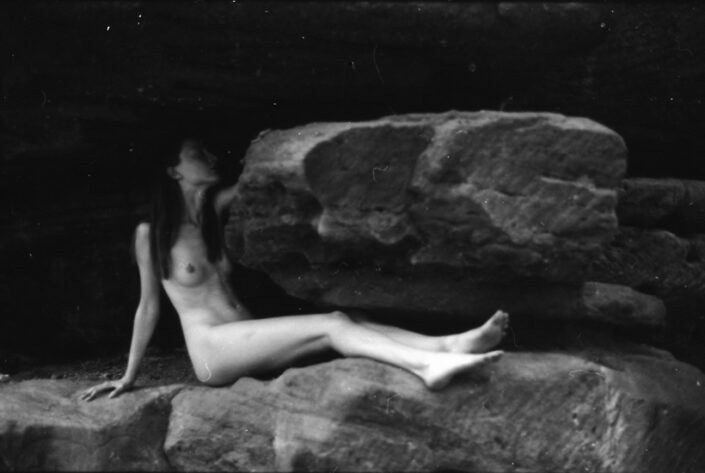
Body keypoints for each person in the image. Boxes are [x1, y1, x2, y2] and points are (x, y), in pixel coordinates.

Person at [80, 139, 508, 401]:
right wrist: (129, 376)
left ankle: (447, 344)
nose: (208, 157)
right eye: (195, 154)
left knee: (353, 317)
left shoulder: (211, 214)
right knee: (333, 323)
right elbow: (148, 307)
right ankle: (426, 367)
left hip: (244, 336)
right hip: (212, 354)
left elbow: (258, 181)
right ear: (173, 170)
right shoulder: (150, 233)